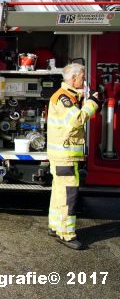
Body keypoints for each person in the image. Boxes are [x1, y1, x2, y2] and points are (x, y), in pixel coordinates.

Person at [46, 63, 101, 250]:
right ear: (73, 79)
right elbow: (75, 121)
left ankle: (55, 226)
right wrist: (92, 103)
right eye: (82, 78)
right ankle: (66, 234)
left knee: (58, 192)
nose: (84, 81)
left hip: (62, 155)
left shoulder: (67, 96)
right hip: (65, 156)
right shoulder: (64, 98)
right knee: (68, 196)